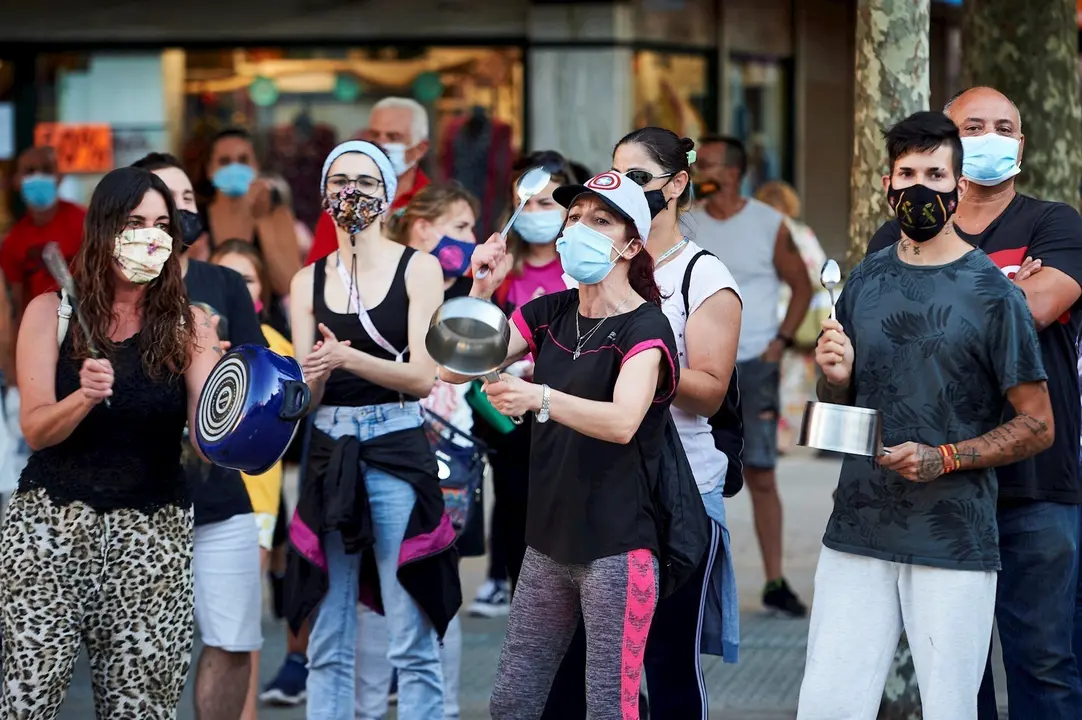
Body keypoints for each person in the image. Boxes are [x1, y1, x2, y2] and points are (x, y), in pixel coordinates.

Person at [798, 111, 1053, 719]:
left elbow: (1038, 423)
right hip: (857, 529)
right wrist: (833, 378)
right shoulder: (864, 279)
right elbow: (842, 408)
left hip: (954, 536)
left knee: (949, 709)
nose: (919, 187)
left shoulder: (994, 294)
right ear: (888, 184)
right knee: (828, 705)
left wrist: (944, 458)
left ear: (960, 187)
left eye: (935, 173)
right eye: (907, 172)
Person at [866, 88, 1082, 720]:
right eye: (975, 126)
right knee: (953, 673)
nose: (993, 137)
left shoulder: (1056, 223)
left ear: (1022, 144)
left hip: (1036, 485)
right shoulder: (896, 230)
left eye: (1006, 126)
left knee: (1046, 663)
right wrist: (1007, 283)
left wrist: (942, 298)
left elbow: (1039, 307)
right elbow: (884, 331)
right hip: (937, 488)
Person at [439, 170, 679, 718]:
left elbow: (622, 421)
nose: (578, 229)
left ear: (632, 244)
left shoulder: (647, 327)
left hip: (618, 549)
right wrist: (480, 289)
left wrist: (537, 397)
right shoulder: (550, 313)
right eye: (574, 218)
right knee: (512, 703)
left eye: (600, 221)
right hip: (548, 543)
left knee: (608, 708)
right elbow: (454, 371)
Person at [0, 166, 219, 717]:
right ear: (104, 228)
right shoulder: (50, 312)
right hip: (49, 530)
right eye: (135, 221)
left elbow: (211, 437)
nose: (152, 235)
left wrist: (247, 383)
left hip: (153, 535)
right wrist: (83, 396)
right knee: (28, 700)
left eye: (163, 224)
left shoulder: (186, 325)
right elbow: (35, 428)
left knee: (142, 707)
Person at [287, 140, 455, 720]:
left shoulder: (420, 268)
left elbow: (420, 376)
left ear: (387, 195)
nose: (350, 192)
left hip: (396, 445)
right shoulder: (305, 281)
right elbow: (307, 396)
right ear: (324, 196)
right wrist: (298, 382)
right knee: (328, 640)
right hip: (330, 449)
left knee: (410, 634)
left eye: (363, 180)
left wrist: (346, 360)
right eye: (338, 182)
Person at [132, 152, 267, 720]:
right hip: (140, 498)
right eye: (167, 200)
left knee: (234, 642)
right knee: (142, 652)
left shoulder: (225, 284)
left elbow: (259, 374)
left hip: (220, 495)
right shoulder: (117, 294)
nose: (181, 210)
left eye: (189, 199)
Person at [351, 181, 482, 720]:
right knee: (378, 592)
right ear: (424, 230)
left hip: (447, 462)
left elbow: (472, 362)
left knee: (431, 585)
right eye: (462, 227)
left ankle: (439, 710)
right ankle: (373, 708)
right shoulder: (383, 291)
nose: (472, 239)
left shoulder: (463, 293)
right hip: (392, 451)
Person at [690, 134, 812, 617]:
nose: (700, 172)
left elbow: (801, 286)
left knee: (760, 473)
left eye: (710, 164)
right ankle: (691, 582)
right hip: (698, 365)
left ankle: (775, 581)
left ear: (735, 171)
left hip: (754, 366)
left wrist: (778, 344)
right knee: (691, 472)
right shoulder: (686, 221)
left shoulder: (769, 224)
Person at [470, 151, 582, 623]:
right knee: (516, 502)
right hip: (509, 409)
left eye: (549, 203)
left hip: (574, 410)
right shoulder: (501, 267)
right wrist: (479, 289)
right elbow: (468, 352)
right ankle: (522, 601)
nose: (537, 215)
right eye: (528, 205)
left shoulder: (583, 264)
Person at [211, 238, 294, 720]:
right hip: (190, 496)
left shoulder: (272, 346)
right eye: (228, 277)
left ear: (260, 291)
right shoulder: (185, 336)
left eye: (247, 279)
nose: (238, 288)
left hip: (254, 502)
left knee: (239, 623)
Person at [198, 127, 302, 336]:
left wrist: (261, 219)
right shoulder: (196, 219)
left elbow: (288, 285)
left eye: (243, 159)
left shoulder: (276, 214)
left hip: (267, 330)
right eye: (225, 161)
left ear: (256, 166)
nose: (234, 167)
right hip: (210, 329)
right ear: (210, 169)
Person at [754, 181, 831, 454]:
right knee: (796, 380)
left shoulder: (759, 234)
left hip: (766, 318)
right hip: (801, 320)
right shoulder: (802, 233)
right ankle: (786, 437)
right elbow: (820, 273)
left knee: (766, 379)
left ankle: (772, 435)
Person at [306, 98, 432, 265]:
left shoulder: (436, 204)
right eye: (374, 135)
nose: (382, 143)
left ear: (420, 149)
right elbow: (318, 269)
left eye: (393, 137)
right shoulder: (345, 199)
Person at [1, 146, 85, 326]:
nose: (38, 176)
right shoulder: (13, 242)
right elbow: (16, 305)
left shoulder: (86, 223)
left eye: (46, 169)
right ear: (16, 180)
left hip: (87, 325)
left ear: (60, 176)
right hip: (40, 329)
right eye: (29, 171)